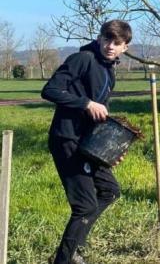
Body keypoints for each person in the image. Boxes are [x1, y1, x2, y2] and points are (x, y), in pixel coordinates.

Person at [42, 20, 132, 264]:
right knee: (85, 206)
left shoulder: (109, 70)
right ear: (99, 37)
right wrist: (86, 103)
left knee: (110, 191)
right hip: (67, 140)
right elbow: (50, 90)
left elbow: (99, 116)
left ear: (125, 47)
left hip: (87, 143)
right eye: (106, 39)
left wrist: (110, 151)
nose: (109, 46)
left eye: (116, 43)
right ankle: (64, 259)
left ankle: (74, 248)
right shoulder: (83, 59)